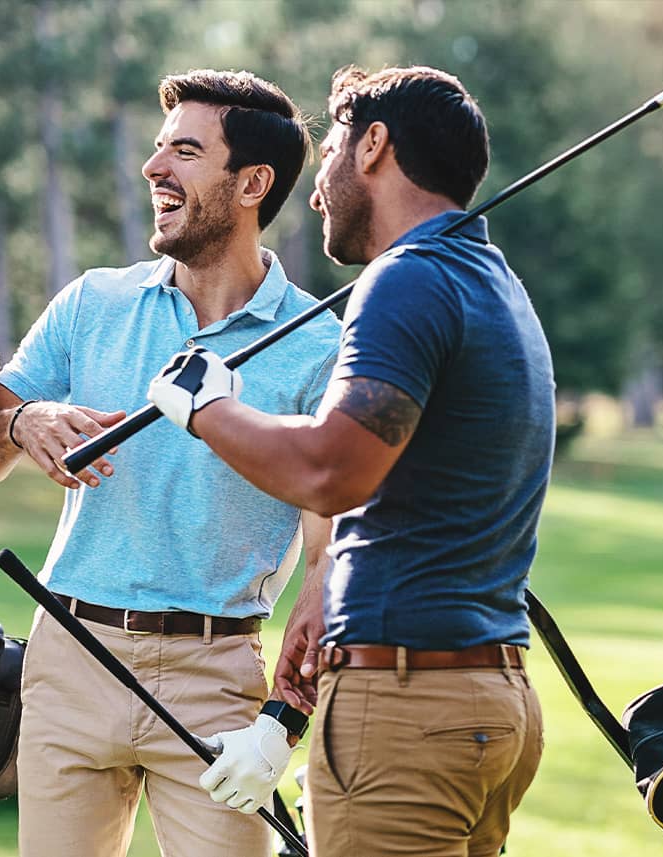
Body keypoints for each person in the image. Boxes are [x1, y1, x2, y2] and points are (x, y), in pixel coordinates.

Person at [147, 65, 554, 856]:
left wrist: (208, 406)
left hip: (409, 708)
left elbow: (332, 471)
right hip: (489, 700)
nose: (316, 187)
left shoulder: (405, 281)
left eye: (331, 146)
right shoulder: (494, 282)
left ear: (372, 146)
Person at [0, 69, 340, 857]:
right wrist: (20, 420)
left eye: (184, 152)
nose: (155, 169)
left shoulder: (321, 348)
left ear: (252, 182)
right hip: (68, 655)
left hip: (219, 675)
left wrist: (280, 724)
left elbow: (333, 566)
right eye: (158, 150)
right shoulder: (93, 302)